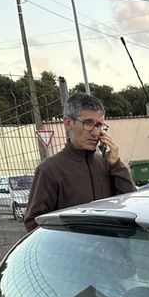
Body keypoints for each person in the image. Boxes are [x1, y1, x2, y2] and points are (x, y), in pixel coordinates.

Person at [23, 93, 136, 232]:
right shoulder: (50, 169)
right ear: (68, 123)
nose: (96, 132)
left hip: (109, 250)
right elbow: (34, 222)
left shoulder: (105, 164)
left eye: (99, 125)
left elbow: (130, 204)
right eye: (88, 123)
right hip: (72, 252)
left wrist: (116, 164)